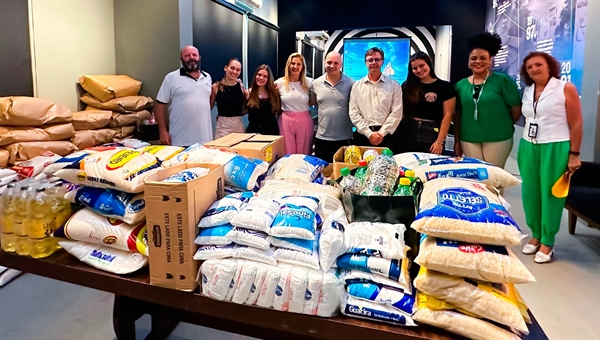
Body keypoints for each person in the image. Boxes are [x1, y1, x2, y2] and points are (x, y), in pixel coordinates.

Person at [518, 52, 583, 264]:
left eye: (539, 65)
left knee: (551, 194)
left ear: (549, 66)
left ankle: (548, 240)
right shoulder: (528, 90)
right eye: (530, 67)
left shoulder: (565, 88)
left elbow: (576, 123)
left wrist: (574, 154)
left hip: (555, 146)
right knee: (531, 193)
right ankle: (536, 234)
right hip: (529, 145)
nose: (534, 69)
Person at [453, 32, 521, 166]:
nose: (478, 61)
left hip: (498, 138)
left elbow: (516, 110)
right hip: (469, 138)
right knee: (477, 178)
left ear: (490, 61)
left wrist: (502, 125)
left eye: (483, 58)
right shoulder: (460, 85)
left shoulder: (502, 81)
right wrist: (457, 141)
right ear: (468, 62)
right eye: (473, 58)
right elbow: (457, 115)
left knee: (494, 178)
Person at [398, 51, 456, 154]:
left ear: (428, 63)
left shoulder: (445, 87)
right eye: (415, 68)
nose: (419, 70)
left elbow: (447, 115)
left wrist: (439, 142)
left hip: (432, 132)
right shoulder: (407, 86)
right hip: (408, 131)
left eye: (422, 65)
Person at [155, 46, 213, 146]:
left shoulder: (207, 77)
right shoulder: (171, 78)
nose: (191, 57)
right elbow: (159, 105)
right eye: (187, 55)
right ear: (181, 59)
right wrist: (162, 131)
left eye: (194, 55)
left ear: (199, 57)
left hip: (205, 139)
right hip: (179, 140)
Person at [349, 47, 403, 153]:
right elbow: (354, 113)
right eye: (370, 60)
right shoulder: (357, 86)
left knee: (388, 168)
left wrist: (381, 133)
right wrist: (369, 134)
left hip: (388, 137)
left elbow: (396, 113)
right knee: (362, 168)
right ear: (365, 63)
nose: (373, 62)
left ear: (382, 61)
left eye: (377, 59)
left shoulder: (394, 85)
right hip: (363, 136)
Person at [310, 51, 355, 162]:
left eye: (336, 63)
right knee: (323, 173)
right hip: (322, 138)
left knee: (343, 174)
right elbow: (313, 103)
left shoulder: (351, 83)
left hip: (345, 138)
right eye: (329, 62)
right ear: (324, 63)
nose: (332, 66)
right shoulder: (316, 83)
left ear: (341, 65)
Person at [275, 53, 314, 155]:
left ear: (302, 67)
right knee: (287, 153)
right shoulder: (279, 83)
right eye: (293, 63)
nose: (295, 67)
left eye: (298, 64)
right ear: (288, 65)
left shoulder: (309, 83)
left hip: (304, 120)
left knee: (303, 153)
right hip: (285, 121)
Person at [211, 58, 246, 140]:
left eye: (238, 70)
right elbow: (209, 106)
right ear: (225, 68)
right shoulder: (216, 87)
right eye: (232, 68)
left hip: (238, 125)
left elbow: (245, 108)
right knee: (221, 151)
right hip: (222, 127)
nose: (234, 72)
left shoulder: (241, 86)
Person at [245, 65, 281, 135]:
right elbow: (242, 110)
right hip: (253, 132)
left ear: (268, 79)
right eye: (259, 75)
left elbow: (279, 110)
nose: (261, 78)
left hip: (271, 132)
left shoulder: (274, 93)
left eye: (265, 76)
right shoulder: (248, 93)